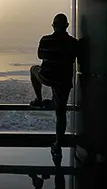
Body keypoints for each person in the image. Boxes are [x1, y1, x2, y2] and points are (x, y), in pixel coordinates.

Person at [29, 13, 79, 158]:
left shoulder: (45, 40)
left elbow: (40, 56)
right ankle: (58, 144)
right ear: (67, 26)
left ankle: (38, 98)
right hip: (63, 81)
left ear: (53, 25)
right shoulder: (72, 43)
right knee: (60, 113)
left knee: (33, 69)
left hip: (47, 76)